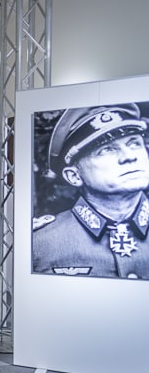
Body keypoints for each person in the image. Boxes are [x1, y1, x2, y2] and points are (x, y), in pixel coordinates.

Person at [33, 104, 149, 278]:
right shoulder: (40, 244)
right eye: (106, 150)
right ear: (74, 176)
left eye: (134, 144)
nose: (129, 156)